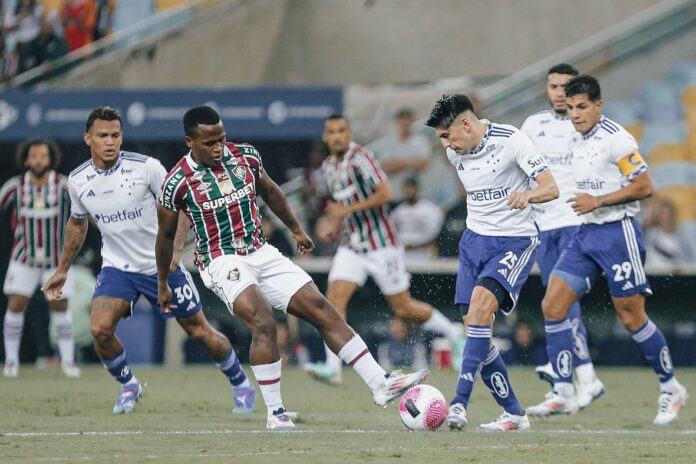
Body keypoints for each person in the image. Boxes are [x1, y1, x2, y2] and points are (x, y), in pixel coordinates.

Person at [156, 106, 428, 431]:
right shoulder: (176, 183)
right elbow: (165, 235)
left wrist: (297, 229)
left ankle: (380, 383)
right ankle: (276, 413)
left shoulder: (245, 156)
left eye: (222, 139)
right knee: (263, 319)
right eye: (209, 143)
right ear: (190, 141)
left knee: (320, 307)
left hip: (260, 251)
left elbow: (271, 191)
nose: (219, 148)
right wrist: (163, 282)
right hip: (220, 259)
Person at [42, 106, 256, 416]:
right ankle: (128, 385)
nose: (110, 141)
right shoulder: (77, 180)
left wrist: (178, 248)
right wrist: (62, 270)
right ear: (88, 138)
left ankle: (240, 383)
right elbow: (77, 224)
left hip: (161, 266)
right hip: (117, 268)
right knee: (100, 330)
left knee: (200, 332)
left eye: (116, 135)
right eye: (103, 136)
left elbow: (182, 203)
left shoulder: (147, 168)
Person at [526, 75, 688, 425]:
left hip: (619, 235)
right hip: (586, 234)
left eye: (582, 107)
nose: (576, 114)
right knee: (553, 304)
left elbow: (645, 185)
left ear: (598, 106)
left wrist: (598, 200)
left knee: (631, 317)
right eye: (570, 108)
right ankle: (563, 392)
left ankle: (671, 387)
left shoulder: (616, 139)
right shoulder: (573, 137)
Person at [425, 94, 559, 431]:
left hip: (513, 240)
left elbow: (551, 187)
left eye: (447, 135)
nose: (445, 144)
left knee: (482, 311)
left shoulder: (512, 141)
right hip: (473, 243)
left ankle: (458, 403)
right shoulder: (454, 152)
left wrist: (527, 195)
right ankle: (513, 412)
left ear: (466, 124)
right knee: (475, 330)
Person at [303, 114, 463, 386]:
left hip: (382, 246)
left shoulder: (361, 158)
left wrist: (346, 210)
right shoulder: (329, 167)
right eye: (332, 131)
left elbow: (386, 193)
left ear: (349, 131)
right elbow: (344, 203)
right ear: (326, 136)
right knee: (333, 301)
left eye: (342, 130)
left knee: (403, 308)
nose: (338, 136)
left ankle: (454, 333)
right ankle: (334, 368)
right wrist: (335, 222)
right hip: (352, 246)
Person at [520, 63, 605, 409]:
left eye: (565, 86)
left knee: (562, 303)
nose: (558, 92)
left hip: (574, 222)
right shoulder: (532, 125)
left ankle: (569, 375)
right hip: (543, 226)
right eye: (553, 86)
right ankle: (581, 377)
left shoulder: (586, 127)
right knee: (559, 306)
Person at [1, 138, 79, 378]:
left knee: (60, 307)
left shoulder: (64, 186)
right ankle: (11, 361)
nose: (38, 160)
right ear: (26, 159)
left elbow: (85, 213)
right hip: (24, 258)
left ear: (51, 158)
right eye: (34, 156)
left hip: (56, 260)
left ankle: (68, 361)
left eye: (43, 156)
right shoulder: (15, 186)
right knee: (15, 305)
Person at [391, 177, 444, 258]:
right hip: (402, 253)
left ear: (418, 189)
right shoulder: (398, 211)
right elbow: (392, 232)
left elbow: (434, 234)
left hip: (421, 253)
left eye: (411, 188)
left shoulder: (430, 209)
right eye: (406, 188)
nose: (409, 191)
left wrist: (414, 245)